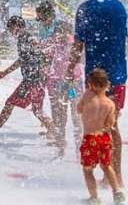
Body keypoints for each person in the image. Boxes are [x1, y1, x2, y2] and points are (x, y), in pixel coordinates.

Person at [67, 0, 128, 188]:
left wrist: (69, 68)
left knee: (96, 124)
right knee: (113, 124)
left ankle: (99, 176)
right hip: (117, 75)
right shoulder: (120, 7)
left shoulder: (85, 7)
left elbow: (78, 45)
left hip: (95, 77)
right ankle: (116, 176)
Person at [0, 16, 54, 141]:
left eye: (11, 29)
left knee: (10, 104)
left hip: (30, 81)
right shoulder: (29, 37)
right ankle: (57, 133)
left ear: (16, 26)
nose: (11, 33)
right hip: (38, 79)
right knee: (37, 111)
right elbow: (38, 55)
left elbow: (22, 60)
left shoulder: (24, 38)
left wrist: (5, 72)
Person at [77, 68, 126, 204]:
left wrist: (86, 108)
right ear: (107, 84)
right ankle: (116, 192)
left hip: (89, 139)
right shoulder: (110, 104)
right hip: (104, 139)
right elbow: (110, 124)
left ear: (90, 85)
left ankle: (94, 198)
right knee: (107, 166)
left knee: (88, 170)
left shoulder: (87, 95)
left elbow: (78, 109)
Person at [44, 19, 83, 154]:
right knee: (61, 115)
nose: (58, 35)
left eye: (61, 32)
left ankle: (78, 149)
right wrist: (46, 68)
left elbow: (79, 55)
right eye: (57, 32)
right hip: (60, 82)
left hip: (73, 83)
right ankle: (61, 146)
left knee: (75, 114)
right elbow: (46, 57)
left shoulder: (73, 42)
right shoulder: (54, 42)